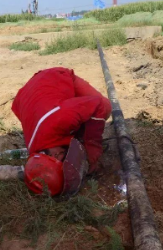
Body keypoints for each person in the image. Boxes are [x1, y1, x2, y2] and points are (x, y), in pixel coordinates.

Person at [12, 67, 112, 195]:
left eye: (62, 159)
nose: (64, 157)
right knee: (73, 124)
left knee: (106, 106)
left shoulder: (60, 119)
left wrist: (92, 145)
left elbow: (98, 105)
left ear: (55, 156)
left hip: (52, 78)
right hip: (27, 97)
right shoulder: (35, 153)